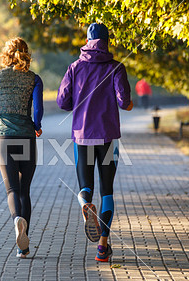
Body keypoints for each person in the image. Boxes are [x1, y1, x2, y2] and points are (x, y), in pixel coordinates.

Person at [57, 23, 133, 262]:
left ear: (87, 41)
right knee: (107, 190)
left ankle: (85, 206)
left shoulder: (75, 67)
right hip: (108, 137)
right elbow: (124, 101)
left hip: (82, 136)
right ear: (107, 41)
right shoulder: (115, 67)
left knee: (85, 186)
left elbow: (62, 102)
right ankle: (103, 247)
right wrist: (129, 104)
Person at [0, 37, 44, 258]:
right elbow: (38, 111)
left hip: (4, 137)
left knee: (11, 190)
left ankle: (16, 219)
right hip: (26, 136)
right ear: (26, 54)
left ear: (6, 54)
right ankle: (23, 248)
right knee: (25, 189)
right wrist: (36, 126)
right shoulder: (34, 79)